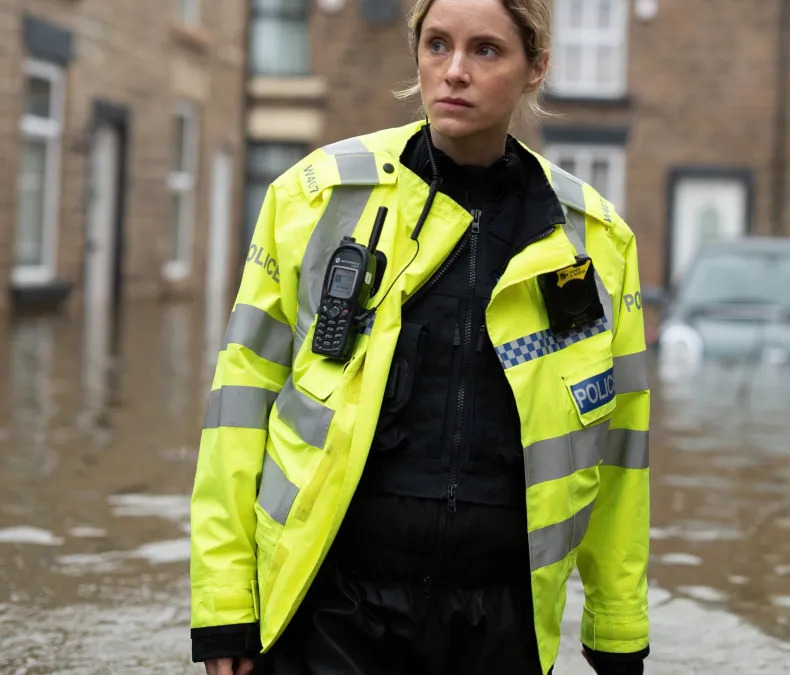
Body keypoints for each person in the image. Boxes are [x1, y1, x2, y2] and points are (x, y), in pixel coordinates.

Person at [188, 0, 651, 673]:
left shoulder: (595, 241)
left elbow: (619, 451)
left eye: (485, 51)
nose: (454, 72)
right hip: (332, 610)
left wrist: (617, 632)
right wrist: (226, 609)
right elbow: (238, 409)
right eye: (437, 45)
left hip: (499, 622)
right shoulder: (315, 200)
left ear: (536, 67)